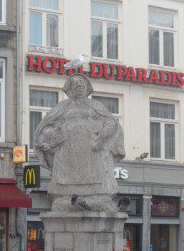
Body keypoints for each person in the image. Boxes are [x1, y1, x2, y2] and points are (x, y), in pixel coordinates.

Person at [34, 73, 125, 212]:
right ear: (69, 89)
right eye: (76, 84)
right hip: (68, 150)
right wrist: (49, 137)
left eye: (82, 84)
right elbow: (46, 126)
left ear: (87, 87)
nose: (79, 86)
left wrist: (101, 138)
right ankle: (66, 197)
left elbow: (111, 122)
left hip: (92, 149)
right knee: (65, 178)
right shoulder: (62, 107)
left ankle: (97, 197)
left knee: (95, 175)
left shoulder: (95, 105)